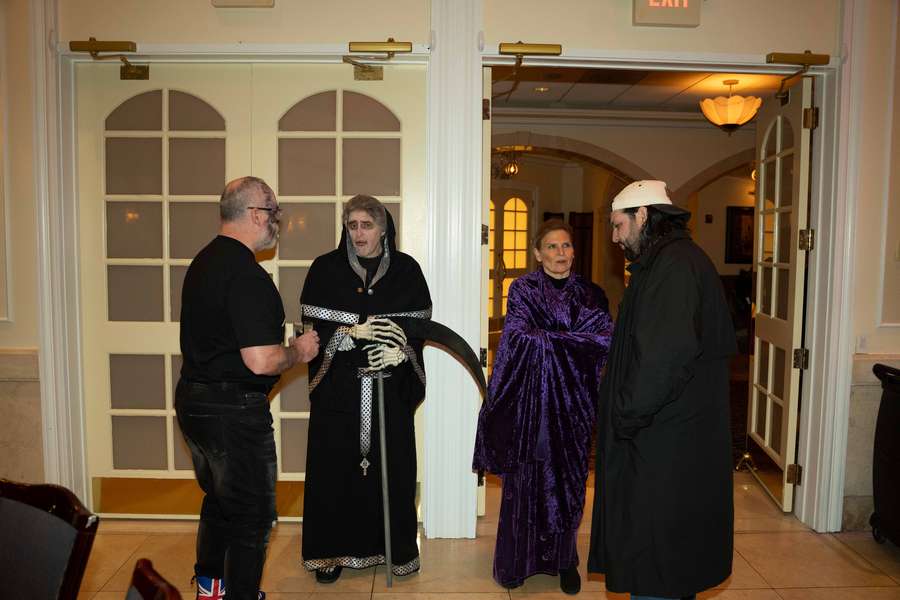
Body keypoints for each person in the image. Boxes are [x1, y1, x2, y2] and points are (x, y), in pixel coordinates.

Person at [587, 180, 737, 600]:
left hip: (665, 440)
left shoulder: (674, 267)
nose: (614, 238)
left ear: (643, 215)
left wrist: (624, 417)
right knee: (666, 556)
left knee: (655, 556)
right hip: (668, 434)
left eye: (618, 225)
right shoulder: (668, 261)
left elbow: (662, 360)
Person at [176, 176, 320, 600]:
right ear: (256, 215)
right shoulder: (247, 276)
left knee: (220, 500)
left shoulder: (203, 262)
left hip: (193, 402)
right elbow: (260, 360)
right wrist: (298, 351)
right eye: (274, 212)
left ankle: (210, 588)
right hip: (232, 413)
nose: (278, 221)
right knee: (252, 517)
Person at [474, 220, 614, 595]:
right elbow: (518, 337)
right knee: (527, 481)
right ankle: (517, 561)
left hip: (574, 405)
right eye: (552, 247)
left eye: (566, 245)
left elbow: (603, 340)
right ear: (537, 253)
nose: (560, 253)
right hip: (531, 403)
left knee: (568, 483)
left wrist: (549, 338)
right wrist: (571, 339)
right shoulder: (523, 289)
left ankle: (565, 561)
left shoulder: (591, 294)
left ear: (574, 251)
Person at [299, 194, 431, 583]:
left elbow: (418, 330)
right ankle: (330, 554)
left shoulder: (407, 271)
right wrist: (345, 334)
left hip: (389, 391)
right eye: (352, 225)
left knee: (393, 472)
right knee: (335, 472)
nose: (359, 234)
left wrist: (401, 351)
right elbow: (312, 331)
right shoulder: (325, 269)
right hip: (339, 395)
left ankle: (395, 550)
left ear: (383, 229)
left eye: (367, 226)